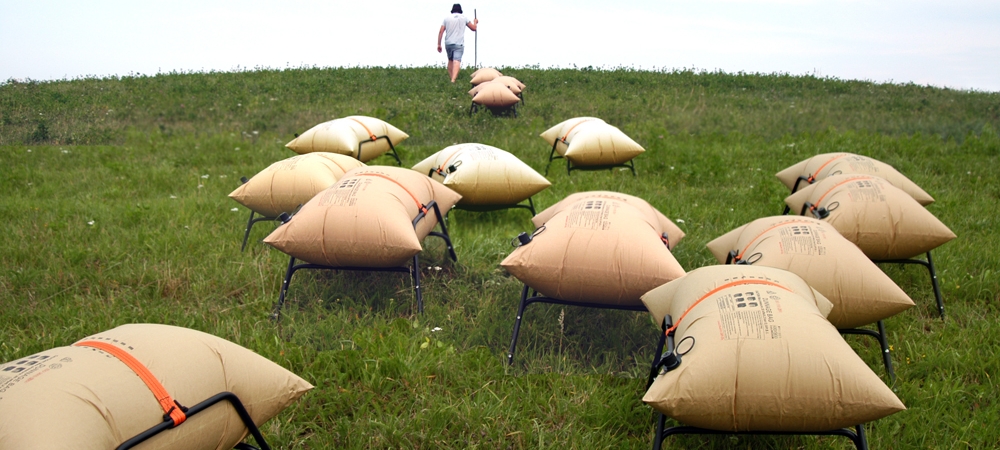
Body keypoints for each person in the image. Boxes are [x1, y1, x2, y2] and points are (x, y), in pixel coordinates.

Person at [437, 4, 478, 83]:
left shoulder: (446, 18)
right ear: (460, 10)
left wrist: (439, 44)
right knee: (457, 60)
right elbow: (474, 28)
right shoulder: (464, 18)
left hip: (448, 43)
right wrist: (475, 22)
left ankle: (451, 77)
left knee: (450, 60)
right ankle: (453, 79)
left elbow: (441, 31)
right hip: (459, 43)